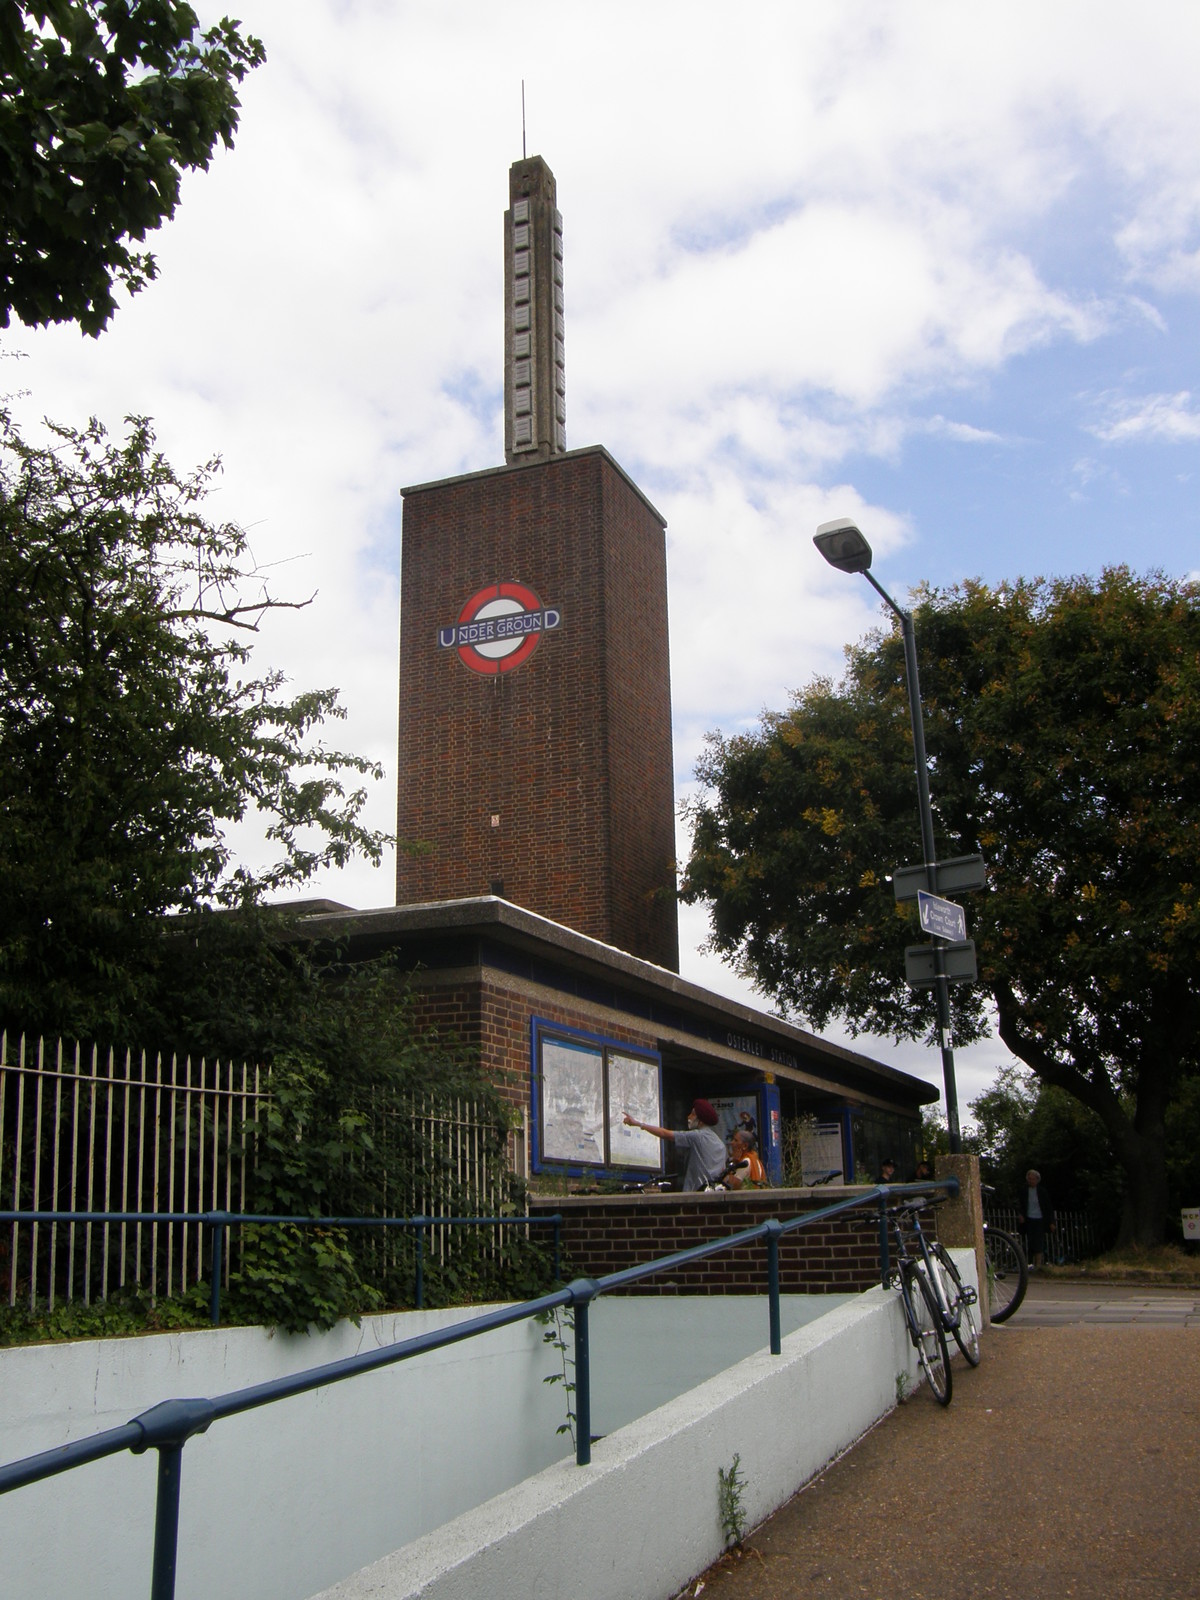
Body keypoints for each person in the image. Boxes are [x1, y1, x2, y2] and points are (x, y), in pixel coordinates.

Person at [623, 1098, 727, 1191]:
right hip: (713, 1194)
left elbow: (665, 1133)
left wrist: (638, 1124)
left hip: (695, 1194)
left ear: (700, 1121)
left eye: (693, 1114)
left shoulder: (697, 1136)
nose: (689, 1117)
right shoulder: (721, 1145)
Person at [1018, 1168, 1055, 1268]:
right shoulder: (1024, 1190)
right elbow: (1021, 1204)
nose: (1031, 1181)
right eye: (1029, 1179)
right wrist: (1021, 1214)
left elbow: (1048, 1207)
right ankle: (1030, 1263)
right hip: (1029, 1218)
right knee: (1030, 1241)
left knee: (1039, 1241)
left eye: (1033, 1179)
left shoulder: (1042, 1191)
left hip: (1039, 1218)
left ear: (1037, 1180)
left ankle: (1038, 1264)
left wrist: (1051, 1222)